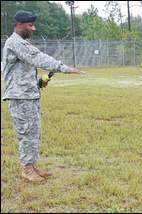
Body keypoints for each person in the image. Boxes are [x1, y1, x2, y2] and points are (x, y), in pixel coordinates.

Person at [1, 10, 82, 183]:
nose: (33, 28)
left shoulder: (21, 43)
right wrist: (64, 68)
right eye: (30, 25)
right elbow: (37, 57)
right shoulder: (14, 42)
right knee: (27, 133)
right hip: (19, 97)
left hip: (29, 95)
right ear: (19, 25)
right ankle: (27, 169)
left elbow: (23, 71)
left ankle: (32, 166)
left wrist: (39, 82)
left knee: (34, 132)